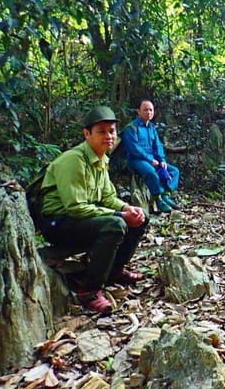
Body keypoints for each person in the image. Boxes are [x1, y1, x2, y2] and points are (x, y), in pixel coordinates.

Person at [39, 106, 149, 314]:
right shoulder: (73, 160)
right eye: (101, 131)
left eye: (112, 131)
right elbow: (76, 207)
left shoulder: (101, 159)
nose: (109, 136)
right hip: (57, 222)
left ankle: (114, 271)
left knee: (141, 217)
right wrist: (119, 215)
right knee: (116, 224)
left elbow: (107, 197)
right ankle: (89, 291)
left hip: (80, 218)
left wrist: (128, 208)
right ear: (87, 133)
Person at [121, 99, 181, 213]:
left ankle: (165, 195)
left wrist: (162, 160)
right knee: (150, 172)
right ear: (138, 111)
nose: (148, 112)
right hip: (136, 160)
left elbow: (157, 145)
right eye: (145, 110)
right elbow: (134, 149)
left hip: (153, 160)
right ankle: (158, 199)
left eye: (151, 110)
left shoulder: (152, 128)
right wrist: (150, 159)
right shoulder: (131, 128)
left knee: (174, 171)